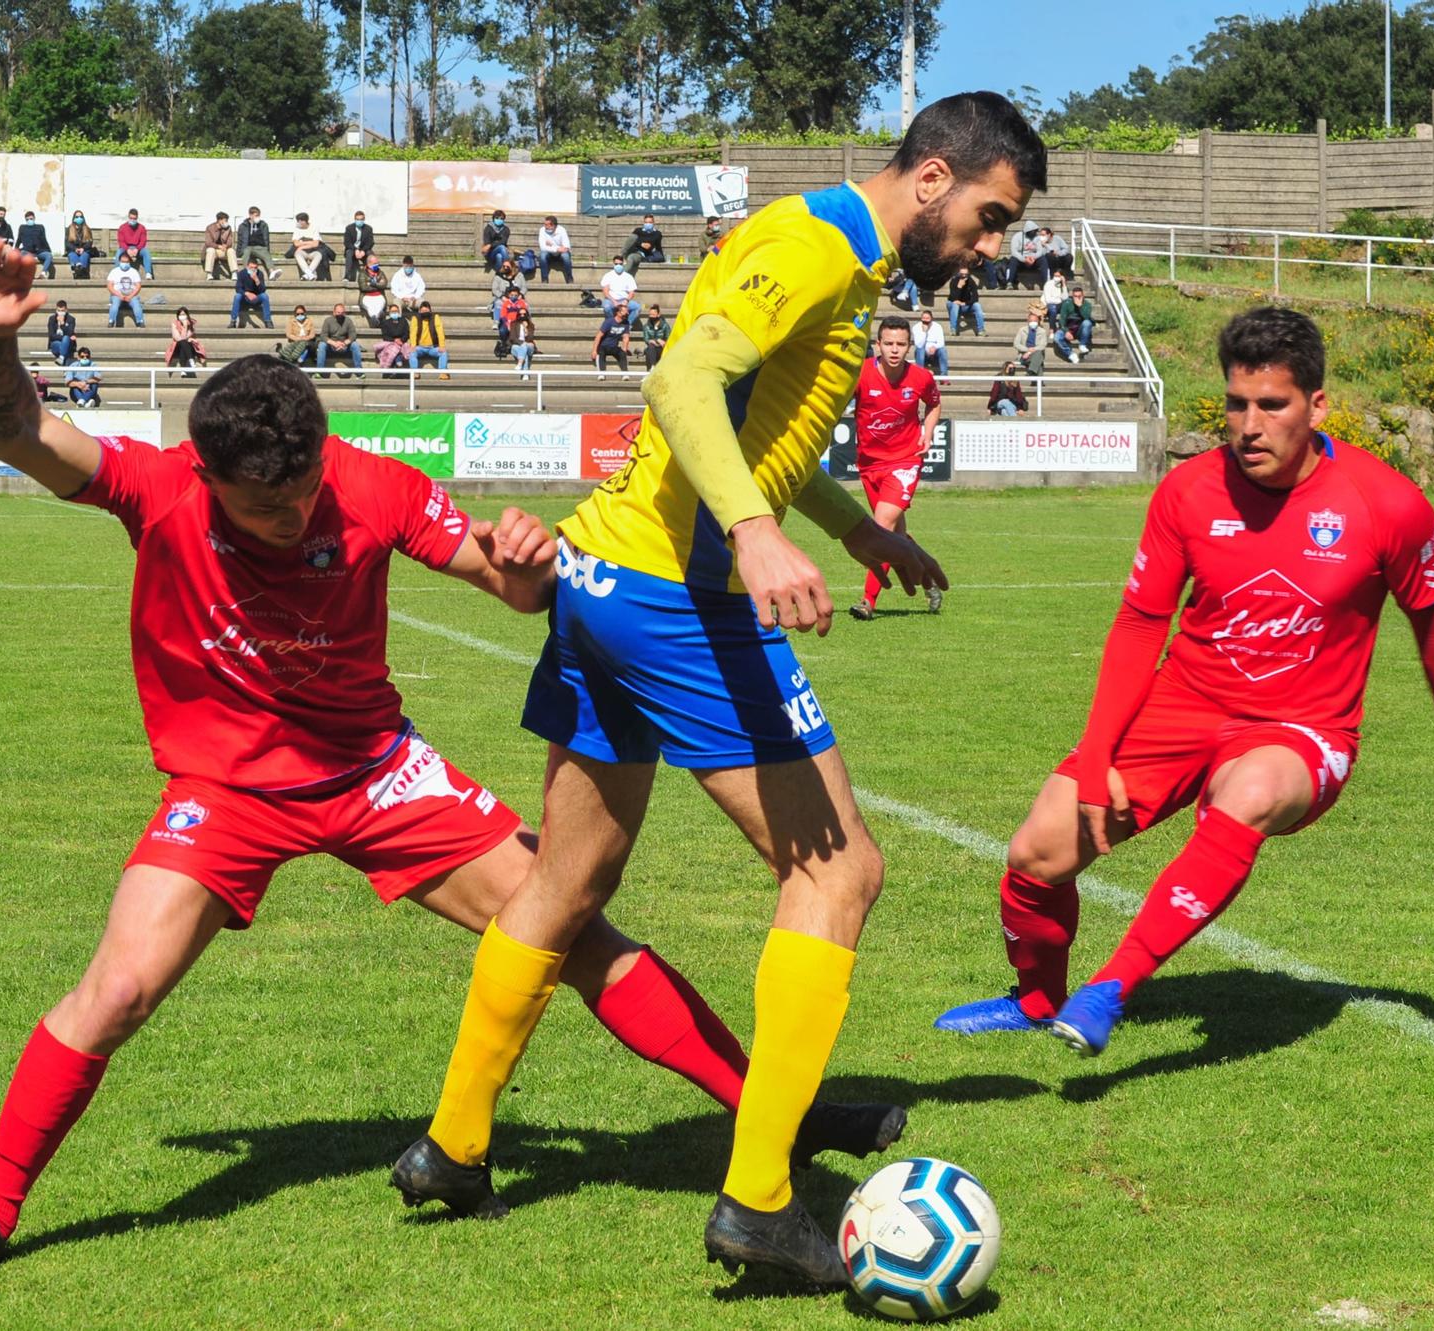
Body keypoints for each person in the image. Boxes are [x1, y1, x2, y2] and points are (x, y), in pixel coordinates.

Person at [0, 239, 893, 1292]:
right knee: (119, 990)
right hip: (224, 791)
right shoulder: (156, 489)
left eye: (304, 494)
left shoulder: (371, 488)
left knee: (570, 927)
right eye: (265, 508)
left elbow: (508, 588)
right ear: (209, 479)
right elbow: (16, 430)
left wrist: (522, 563)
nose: (294, 518)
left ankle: (766, 1112)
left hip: (378, 775)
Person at [419, 90, 1037, 1288]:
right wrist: (753, 535)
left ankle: (451, 1145)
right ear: (933, 177)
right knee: (838, 868)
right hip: (675, 596)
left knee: (565, 876)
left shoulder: (840, 259)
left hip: (608, 579)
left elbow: (745, 430)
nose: (990, 248)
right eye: (988, 216)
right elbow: (682, 386)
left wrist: (850, 526)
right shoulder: (810, 246)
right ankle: (758, 1200)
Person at [934, 306, 1434, 1060]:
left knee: (1249, 793)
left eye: (1272, 405)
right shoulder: (1191, 491)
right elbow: (1139, 626)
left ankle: (1112, 987)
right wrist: (1098, 753)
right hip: (1182, 706)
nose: (1250, 424)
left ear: (1318, 405)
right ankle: (1036, 1001)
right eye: (1236, 404)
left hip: (1302, 732)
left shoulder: (1388, 504)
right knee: (1038, 852)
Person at [847, 316, 943, 623]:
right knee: (896, 536)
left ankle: (867, 601)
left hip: (905, 461)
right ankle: (929, 582)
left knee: (882, 526)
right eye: (888, 343)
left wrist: (927, 433)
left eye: (901, 344)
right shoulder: (860, 375)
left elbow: (934, 404)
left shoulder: (921, 377)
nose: (894, 350)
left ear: (909, 347)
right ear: (877, 345)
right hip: (869, 464)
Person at [317, 302, 363, 372]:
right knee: (321, 345)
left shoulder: (348, 321)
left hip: (345, 345)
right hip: (331, 346)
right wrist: (334, 343)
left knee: (355, 345)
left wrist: (344, 343)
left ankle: (359, 371)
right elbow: (323, 336)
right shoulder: (328, 321)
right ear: (334, 312)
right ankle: (319, 371)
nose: (340, 315)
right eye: (338, 313)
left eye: (342, 313)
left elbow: (353, 335)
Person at [1055, 285, 1095, 363]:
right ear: (1072, 296)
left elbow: (1086, 317)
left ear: (1083, 296)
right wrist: (1066, 331)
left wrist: (1080, 307)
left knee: (1087, 323)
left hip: (1080, 330)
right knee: (1057, 337)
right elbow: (1062, 319)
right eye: (1075, 296)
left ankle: (1082, 344)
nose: (1077, 298)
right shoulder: (1067, 304)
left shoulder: (1087, 305)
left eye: (1079, 296)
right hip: (1069, 328)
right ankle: (1071, 354)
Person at [231, 257, 272, 329]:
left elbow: (263, 290)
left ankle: (268, 321)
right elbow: (238, 288)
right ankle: (233, 321)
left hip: (256, 297)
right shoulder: (242, 273)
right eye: (251, 267)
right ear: (247, 266)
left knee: (264, 296)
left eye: (255, 267)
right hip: (245, 298)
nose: (253, 269)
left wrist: (257, 281)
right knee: (237, 296)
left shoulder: (260, 274)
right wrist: (246, 293)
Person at [410, 301, 449, 375]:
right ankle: (414, 373)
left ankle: (443, 372)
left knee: (444, 353)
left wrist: (442, 345)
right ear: (419, 311)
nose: (424, 312)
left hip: (433, 347)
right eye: (423, 311)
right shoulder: (415, 318)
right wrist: (413, 345)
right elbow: (413, 333)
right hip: (420, 347)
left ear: (430, 311)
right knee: (412, 353)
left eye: (426, 311)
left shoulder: (435, 317)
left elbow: (440, 332)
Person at [590, 307, 630, 378]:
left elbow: (626, 337)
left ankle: (625, 373)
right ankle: (601, 373)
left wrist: (625, 349)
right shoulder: (609, 322)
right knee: (600, 353)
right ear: (618, 313)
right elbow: (598, 336)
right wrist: (594, 350)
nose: (627, 313)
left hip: (614, 347)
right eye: (625, 311)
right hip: (603, 346)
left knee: (622, 353)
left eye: (627, 312)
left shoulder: (626, 323)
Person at [106, 256, 145, 328]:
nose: (124, 263)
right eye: (122, 261)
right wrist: (118, 294)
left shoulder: (134, 271)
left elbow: (138, 286)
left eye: (126, 262)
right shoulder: (114, 271)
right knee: (114, 304)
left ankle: (140, 322)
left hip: (131, 295)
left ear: (129, 262)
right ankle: (111, 321)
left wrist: (131, 296)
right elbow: (109, 286)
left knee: (137, 304)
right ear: (119, 262)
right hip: (117, 295)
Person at [166, 308, 207, 375]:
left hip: (189, 346)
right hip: (177, 346)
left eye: (184, 314)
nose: (182, 316)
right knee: (182, 343)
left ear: (187, 315)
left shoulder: (191, 323)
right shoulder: (174, 323)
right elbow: (177, 338)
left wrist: (185, 325)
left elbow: (185, 337)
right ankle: (191, 360)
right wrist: (185, 327)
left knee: (184, 344)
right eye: (180, 314)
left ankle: (183, 368)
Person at [599, 258, 640, 325]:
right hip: (611, 300)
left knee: (637, 307)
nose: (618, 265)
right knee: (607, 307)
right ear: (613, 264)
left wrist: (626, 301)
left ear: (623, 264)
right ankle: (613, 324)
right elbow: (605, 292)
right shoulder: (608, 276)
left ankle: (627, 325)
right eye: (616, 264)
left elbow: (632, 292)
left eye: (620, 264)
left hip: (624, 300)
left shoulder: (628, 277)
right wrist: (614, 301)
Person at [237, 207, 276, 276]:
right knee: (246, 253)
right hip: (247, 247)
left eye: (258, 216)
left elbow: (266, 239)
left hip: (259, 247)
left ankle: (272, 272)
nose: (257, 217)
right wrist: (238, 253)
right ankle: (247, 272)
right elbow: (240, 240)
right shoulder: (243, 226)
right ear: (250, 215)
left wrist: (267, 250)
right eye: (256, 216)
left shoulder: (263, 225)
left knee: (266, 254)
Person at [946, 264, 983, 336]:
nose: (964, 276)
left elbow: (975, 297)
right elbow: (953, 298)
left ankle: (981, 330)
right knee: (955, 304)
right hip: (953, 304)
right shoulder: (954, 281)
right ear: (958, 274)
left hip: (965, 305)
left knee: (977, 305)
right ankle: (953, 329)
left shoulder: (971, 281)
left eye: (966, 275)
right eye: (961, 274)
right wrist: (959, 287)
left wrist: (965, 303)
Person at [375, 306, 414, 374]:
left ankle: (396, 365)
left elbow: (407, 333)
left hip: (402, 342)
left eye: (396, 311)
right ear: (389, 313)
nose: (394, 313)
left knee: (406, 347)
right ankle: (397, 364)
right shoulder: (386, 323)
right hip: (390, 342)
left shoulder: (403, 321)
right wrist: (395, 340)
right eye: (392, 311)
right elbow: (385, 336)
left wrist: (401, 340)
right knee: (393, 348)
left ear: (399, 312)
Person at [1010, 303, 1047, 376]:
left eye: (1035, 321)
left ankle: (1031, 371)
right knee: (1039, 360)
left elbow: (1042, 345)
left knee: (1038, 354)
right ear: (1028, 321)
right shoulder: (1022, 330)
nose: (1033, 323)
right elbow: (1016, 344)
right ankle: (1039, 382)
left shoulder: (1042, 331)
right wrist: (1026, 350)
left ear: (1038, 322)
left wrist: (1029, 352)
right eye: (1031, 321)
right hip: (1024, 355)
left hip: (1035, 353)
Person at [910, 307, 948, 377]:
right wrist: (924, 332)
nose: (925, 320)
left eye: (927, 318)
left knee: (943, 350)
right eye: (923, 318)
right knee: (920, 349)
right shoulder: (916, 327)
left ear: (931, 319)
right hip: (922, 352)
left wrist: (935, 347)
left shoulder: (937, 327)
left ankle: (944, 376)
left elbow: (941, 343)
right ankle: (919, 375)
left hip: (934, 352)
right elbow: (918, 344)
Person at [16, 211, 54, 279]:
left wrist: (48, 250)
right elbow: (19, 239)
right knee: (21, 253)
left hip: (39, 251)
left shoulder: (40, 227)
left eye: (31, 219)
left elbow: (44, 239)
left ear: (34, 218)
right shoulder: (22, 228)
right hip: (27, 251)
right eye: (27, 219)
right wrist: (15, 249)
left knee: (48, 255)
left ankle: (43, 273)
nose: (29, 220)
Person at [116, 208, 153, 278]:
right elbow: (121, 241)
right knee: (119, 252)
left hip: (138, 248)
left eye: (134, 218)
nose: (132, 220)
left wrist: (137, 249)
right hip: (125, 248)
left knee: (146, 252)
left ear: (137, 218)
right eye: (131, 218)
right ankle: (117, 273)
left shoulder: (142, 228)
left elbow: (143, 241)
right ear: (128, 217)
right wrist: (127, 249)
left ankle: (148, 273)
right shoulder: (122, 227)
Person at [537, 216, 573, 283]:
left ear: (553, 225)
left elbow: (566, 246)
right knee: (542, 255)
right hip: (549, 254)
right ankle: (544, 279)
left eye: (546, 225)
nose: (545, 226)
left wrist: (551, 246)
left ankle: (569, 278)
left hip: (560, 254)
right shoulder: (542, 230)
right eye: (544, 224)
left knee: (566, 256)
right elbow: (542, 247)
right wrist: (557, 248)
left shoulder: (562, 230)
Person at [290, 212, 325, 281]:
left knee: (318, 255)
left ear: (305, 221)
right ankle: (310, 274)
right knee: (297, 254)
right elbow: (296, 243)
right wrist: (310, 242)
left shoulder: (314, 228)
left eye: (300, 221)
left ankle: (307, 274)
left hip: (314, 251)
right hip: (303, 252)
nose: (299, 223)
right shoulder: (297, 229)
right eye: (298, 221)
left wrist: (302, 245)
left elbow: (316, 244)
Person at [65, 211, 98, 279]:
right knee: (72, 255)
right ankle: (81, 271)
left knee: (85, 255)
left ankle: (78, 272)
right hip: (73, 250)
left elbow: (90, 242)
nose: (79, 218)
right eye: (77, 217)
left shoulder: (87, 228)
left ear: (83, 218)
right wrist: (75, 249)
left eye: (81, 217)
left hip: (85, 250)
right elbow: (67, 243)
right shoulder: (69, 229)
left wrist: (83, 248)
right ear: (74, 218)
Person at [202, 212, 235, 280]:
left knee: (231, 250)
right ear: (219, 220)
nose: (227, 222)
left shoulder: (228, 228)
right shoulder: (210, 228)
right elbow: (208, 243)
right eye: (225, 220)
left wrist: (226, 246)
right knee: (210, 250)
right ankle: (209, 274)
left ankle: (234, 273)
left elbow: (230, 241)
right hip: (214, 251)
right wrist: (219, 246)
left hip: (223, 251)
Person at [344, 211, 375, 283]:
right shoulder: (349, 228)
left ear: (364, 219)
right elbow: (347, 242)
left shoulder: (368, 229)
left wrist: (363, 251)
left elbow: (370, 242)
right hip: (352, 249)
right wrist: (355, 250)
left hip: (363, 250)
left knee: (371, 255)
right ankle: (347, 276)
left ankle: (373, 276)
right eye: (357, 219)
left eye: (361, 219)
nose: (359, 221)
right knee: (349, 253)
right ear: (354, 219)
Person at [639, 303, 670, 371]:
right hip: (652, 348)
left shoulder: (665, 326)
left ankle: (650, 370)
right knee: (650, 348)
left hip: (662, 348)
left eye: (653, 314)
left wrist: (661, 342)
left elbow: (669, 338)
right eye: (650, 314)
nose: (651, 316)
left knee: (649, 350)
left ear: (658, 315)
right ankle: (652, 367)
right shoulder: (646, 326)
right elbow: (646, 339)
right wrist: (657, 340)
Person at [46, 301, 78, 365]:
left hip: (69, 344)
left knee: (66, 338)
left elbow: (70, 333)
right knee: (65, 339)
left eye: (62, 311)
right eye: (58, 310)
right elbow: (51, 335)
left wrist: (63, 323)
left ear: (66, 310)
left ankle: (61, 357)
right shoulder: (52, 319)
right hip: (56, 343)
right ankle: (62, 356)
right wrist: (64, 339)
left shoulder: (71, 319)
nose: (60, 312)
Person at [358, 257, 388, 323]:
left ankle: (375, 318)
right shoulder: (362, 273)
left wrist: (373, 284)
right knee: (370, 306)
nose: (377, 265)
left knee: (380, 303)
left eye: (377, 263)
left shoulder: (380, 272)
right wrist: (378, 285)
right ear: (369, 264)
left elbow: (384, 284)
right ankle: (377, 317)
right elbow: (363, 287)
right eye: (375, 263)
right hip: (366, 296)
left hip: (379, 295)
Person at [508, 313, 537, 378]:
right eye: (520, 314)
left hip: (529, 346)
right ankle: (525, 375)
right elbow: (512, 338)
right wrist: (521, 343)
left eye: (524, 314)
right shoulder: (513, 324)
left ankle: (520, 363)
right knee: (524, 352)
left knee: (525, 346)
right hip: (516, 345)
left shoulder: (530, 325)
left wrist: (525, 329)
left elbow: (530, 339)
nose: (522, 316)